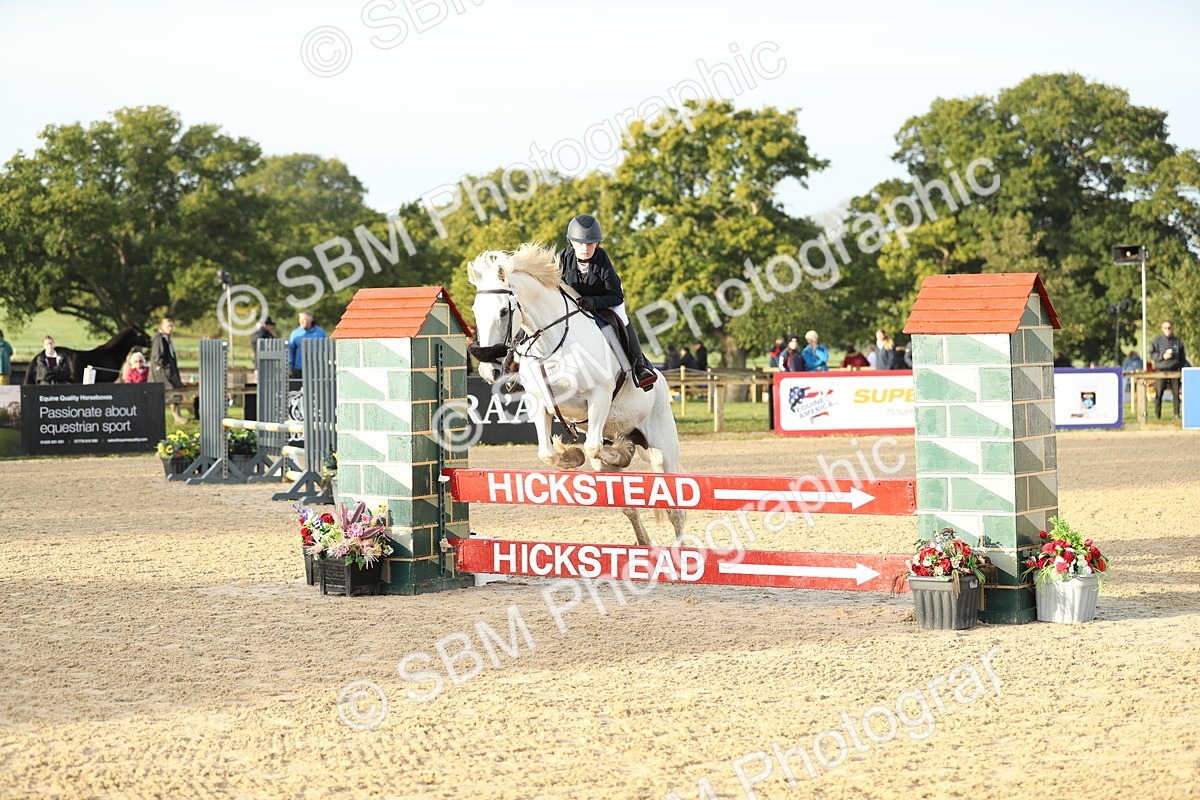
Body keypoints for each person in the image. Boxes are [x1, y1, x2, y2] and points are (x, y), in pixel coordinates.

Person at [557, 214, 657, 390]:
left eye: (590, 243)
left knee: (622, 319)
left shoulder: (602, 260)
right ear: (571, 242)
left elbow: (616, 296)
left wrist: (594, 302)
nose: (585, 248)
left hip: (606, 299)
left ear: (597, 243)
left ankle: (639, 366)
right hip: (575, 303)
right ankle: (516, 365)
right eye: (580, 243)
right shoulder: (561, 259)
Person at [1149, 320, 1186, 420]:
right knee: (1159, 393)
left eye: (1169, 328)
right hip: (1161, 370)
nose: (1167, 330)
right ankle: (1157, 415)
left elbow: (1183, 357)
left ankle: (1177, 415)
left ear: (1172, 328)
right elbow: (1152, 354)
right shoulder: (1157, 341)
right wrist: (1162, 356)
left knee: (1176, 393)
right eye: (1165, 328)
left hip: (1175, 370)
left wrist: (1181, 366)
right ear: (1162, 329)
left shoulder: (1177, 341)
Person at [288, 312, 327, 378]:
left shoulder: (320, 332)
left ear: (311, 320)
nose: (304, 322)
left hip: (316, 369)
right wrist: (290, 366)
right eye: (302, 320)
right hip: (299, 369)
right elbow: (290, 350)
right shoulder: (295, 333)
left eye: (306, 319)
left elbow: (326, 349)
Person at [150, 318, 183, 389]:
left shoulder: (166, 338)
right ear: (162, 326)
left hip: (169, 370)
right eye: (168, 326)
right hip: (163, 372)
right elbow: (157, 356)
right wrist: (166, 367)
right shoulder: (159, 338)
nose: (170, 328)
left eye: (171, 326)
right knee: (170, 393)